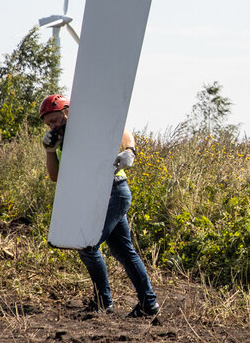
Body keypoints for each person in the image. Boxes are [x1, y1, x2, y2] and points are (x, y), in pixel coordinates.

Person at [39, 94, 160, 318]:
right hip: (94, 195)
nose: (52, 126)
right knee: (123, 251)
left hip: (114, 191)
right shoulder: (63, 139)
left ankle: (103, 303)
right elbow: (55, 177)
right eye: (48, 124)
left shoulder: (89, 123)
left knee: (87, 245)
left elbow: (122, 131)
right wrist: (50, 151)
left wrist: (130, 151)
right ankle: (148, 303)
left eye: (55, 120)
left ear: (67, 113)